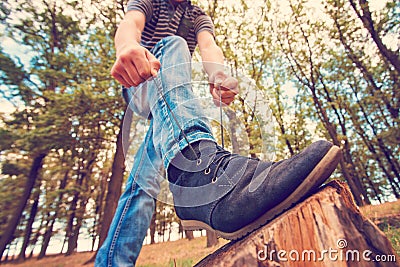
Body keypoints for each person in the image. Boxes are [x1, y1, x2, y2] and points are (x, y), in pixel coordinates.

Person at [95, 0, 341, 266]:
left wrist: (219, 75)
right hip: (138, 81)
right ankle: (196, 169)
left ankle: (112, 261)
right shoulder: (151, 2)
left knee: (143, 182)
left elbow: (209, 45)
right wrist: (127, 46)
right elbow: (132, 22)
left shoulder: (197, 15)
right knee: (174, 44)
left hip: (167, 97)